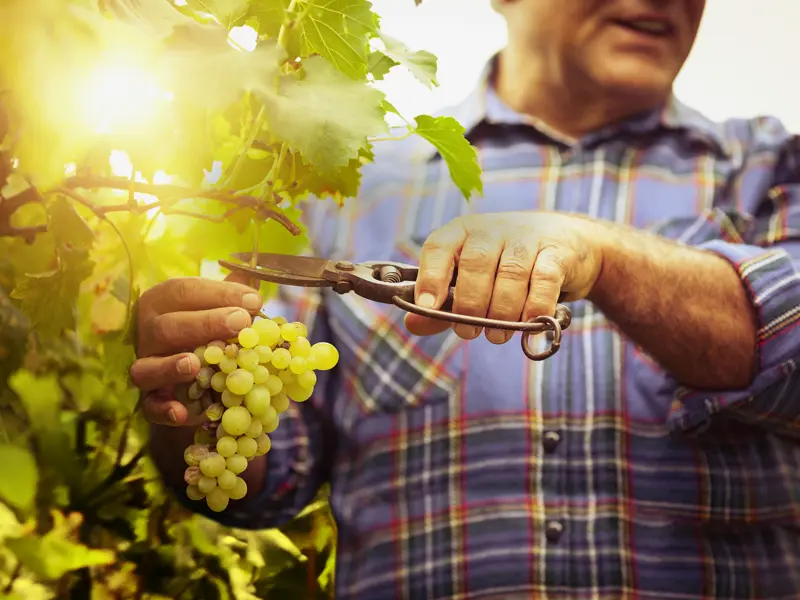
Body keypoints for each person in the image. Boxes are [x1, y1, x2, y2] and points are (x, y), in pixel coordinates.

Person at [132, 0, 800, 598]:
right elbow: (267, 482)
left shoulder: (769, 169)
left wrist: (606, 257)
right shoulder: (346, 185)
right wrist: (199, 392)